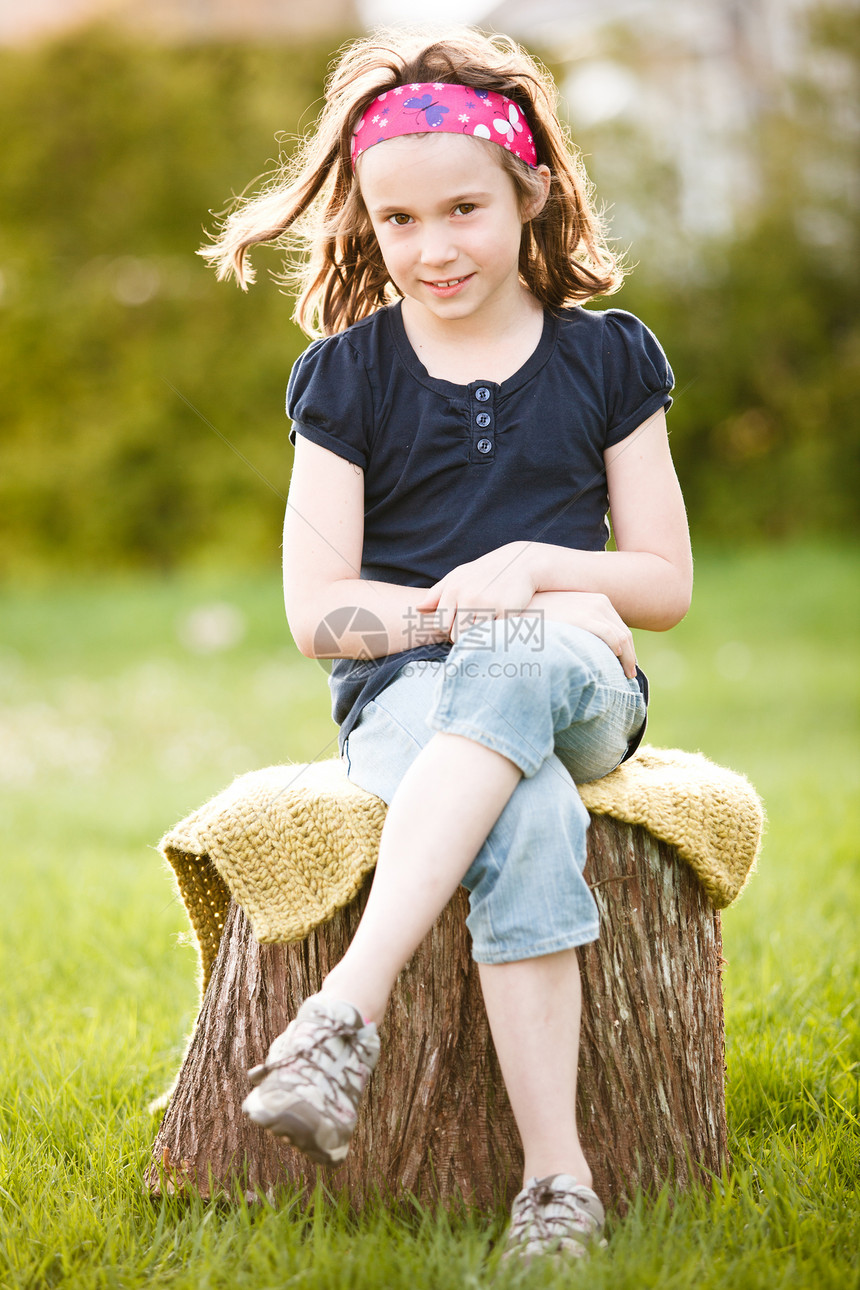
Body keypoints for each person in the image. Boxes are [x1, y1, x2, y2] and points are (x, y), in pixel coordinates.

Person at [201, 25, 693, 1263]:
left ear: (528, 191)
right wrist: (460, 607)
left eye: (463, 208)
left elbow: (663, 585)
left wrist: (534, 572)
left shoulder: (606, 356)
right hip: (402, 700)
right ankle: (556, 1189)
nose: (432, 248)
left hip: (581, 684)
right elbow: (319, 619)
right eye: (399, 220)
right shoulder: (346, 379)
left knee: (528, 664)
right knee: (522, 812)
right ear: (366, 221)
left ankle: (340, 1012)